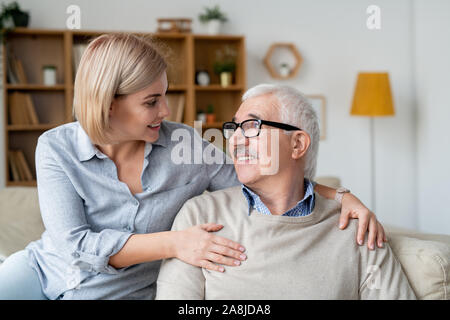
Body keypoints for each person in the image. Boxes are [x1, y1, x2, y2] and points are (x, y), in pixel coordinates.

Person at [0, 34, 385, 300]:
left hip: (125, 292)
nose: (165, 112)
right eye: (152, 102)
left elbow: (257, 180)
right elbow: (75, 245)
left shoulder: (181, 143)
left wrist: (340, 195)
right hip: (43, 271)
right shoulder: (55, 148)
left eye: (165, 96)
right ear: (109, 104)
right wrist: (176, 242)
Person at [155, 84, 416, 300]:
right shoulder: (200, 215)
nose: (234, 139)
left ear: (298, 144)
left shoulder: (356, 229)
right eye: (234, 128)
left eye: (251, 126)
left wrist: (342, 196)